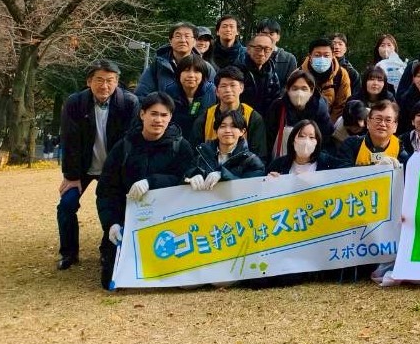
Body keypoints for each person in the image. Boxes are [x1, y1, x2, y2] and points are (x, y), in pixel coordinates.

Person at [95, 92, 194, 290]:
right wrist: (112, 223)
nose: (158, 120)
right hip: (130, 221)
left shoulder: (181, 146)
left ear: (170, 118)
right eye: (153, 114)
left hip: (168, 223)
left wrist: (152, 181)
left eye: (164, 115)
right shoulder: (124, 146)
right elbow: (106, 190)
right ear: (142, 115)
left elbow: (185, 182)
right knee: (110, 282)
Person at [56, 60, 139, 271]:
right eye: (99, 80)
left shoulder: (129, 103)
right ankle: (69, 253)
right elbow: (69, 140)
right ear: (89, 81)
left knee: (115, 207)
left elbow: (130, 142)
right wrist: (71, 176)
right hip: (82, 168)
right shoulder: (75, 103)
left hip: (113, 169)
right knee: (66, 205)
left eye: (110, 81)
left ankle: (108, 250)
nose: (104, 86)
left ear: (117, 82)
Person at [191, 66, 269, 157]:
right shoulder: (205, 117)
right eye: (223, 86)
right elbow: (195, 154)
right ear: (217, 91)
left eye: (232, 85)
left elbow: (259, 156)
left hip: (243, 168)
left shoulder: (253, 118)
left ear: (241, 88)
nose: (228, 90)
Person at [186, 110, 266, 187]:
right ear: (216, 131)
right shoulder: (201, 155)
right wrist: (192, 178)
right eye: (222, 126)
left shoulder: (252, 162)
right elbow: (184, 179)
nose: (227, 130)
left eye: (234, 126)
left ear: (242, 131)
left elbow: (251, 189)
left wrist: (223, 175)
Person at [266, 70, 334, 160]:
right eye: (295, 88)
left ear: (311, 90)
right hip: (282, 161)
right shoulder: (278, 106)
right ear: (288, 89)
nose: (299, 93)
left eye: (304, 88)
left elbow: (327, 140)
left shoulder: (320, 109)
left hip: (312, 161)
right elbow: (269, 137)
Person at [136, 22, 201, 97]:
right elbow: (142, 94)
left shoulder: (204, 67)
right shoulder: (157, 66)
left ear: (194, 41)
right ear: (170, 41)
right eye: (178, 36)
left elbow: (210, 96)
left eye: (187, 36)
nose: (182, 40)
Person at [165, 54, 216, 145]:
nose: (191, 75)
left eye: (196, 71)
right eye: (186, 70)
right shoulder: (169, 92)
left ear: (203, 75)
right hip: (176, 145)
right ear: (179, 74)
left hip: (204, 146)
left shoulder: (212, 92)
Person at [339, 100, 407, 166]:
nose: (382, 124)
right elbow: (341, 171)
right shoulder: (351, 144)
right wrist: (374, 169)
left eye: (388, 120)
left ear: (395, 126)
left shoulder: (399, 147)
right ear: (368, 122)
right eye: (378, 119)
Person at [301, 38, 352, 124]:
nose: (322, 58)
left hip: (330, 124)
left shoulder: (341, 74)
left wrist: (328, 125)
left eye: (326, 55)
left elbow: (342, 105)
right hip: (303, 123)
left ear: (333, 56)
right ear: (310, 56)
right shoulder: (299, 74)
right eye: (317, 55)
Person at [267, 119, 343, 176]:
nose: (306, 141)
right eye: (302, 136)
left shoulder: (329, 164)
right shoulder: (277, 165)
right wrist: (271, 183)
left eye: (311, 137)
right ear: (293, 140)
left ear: (317, 142)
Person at [238, 33, 284, 112]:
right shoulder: (237, 71)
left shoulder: (272, 73)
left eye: (267, 49)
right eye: (258, 48)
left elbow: (275, 100)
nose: (261, 53)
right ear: (248, 49)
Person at [255, 18, 299, 86]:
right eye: (264, 33)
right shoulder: (248, 56)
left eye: (271, 34)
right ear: (257, 35)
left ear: (278, 37)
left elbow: (291, 86)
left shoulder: (289, 59)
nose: (268, 37)